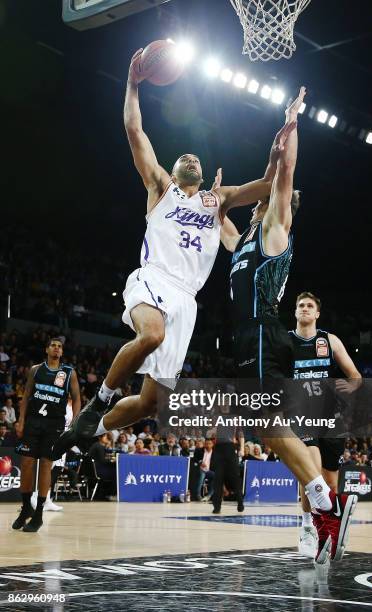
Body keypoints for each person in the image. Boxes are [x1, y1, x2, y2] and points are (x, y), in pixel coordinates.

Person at [51, 49, 296, 459]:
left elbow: (270, 184)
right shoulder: (160, 188)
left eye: (196, 157)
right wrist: (132, 84)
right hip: (154, 277)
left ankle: (88, 432)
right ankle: (99, 403)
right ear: (177, 169)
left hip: (187, 299)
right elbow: (135, 131)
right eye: (185, 156)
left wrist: (277, 149)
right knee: (152, 334)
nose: (191, 158)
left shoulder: (217, 201)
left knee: (150, 403)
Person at [219, 87, 358, 564]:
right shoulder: (241, 244)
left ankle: (323, 501)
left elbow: (284, 176)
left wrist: (290, 122)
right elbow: (219, 218)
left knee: (267, 421)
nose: (259, 203)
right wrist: (217, 197)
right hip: (244, 337)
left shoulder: (275, 230)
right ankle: (321, 502)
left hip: (263, 331)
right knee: (264, 426)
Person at [288, 291, 362, 558]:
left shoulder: (330, 341)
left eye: (310, 305)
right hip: (301, 415)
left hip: (330, 418)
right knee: (310, 468)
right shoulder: (286, 342)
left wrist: (352, 384)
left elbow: (355, 375)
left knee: (330, 483)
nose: (305, 308)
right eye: (301, 305)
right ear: (295, 312)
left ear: (317, 313)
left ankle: (328, 526)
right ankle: (306, 525)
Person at [13, 338, 80, 532]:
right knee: (25, 464)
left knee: (45, 466)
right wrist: (21, 421)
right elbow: (25, 397)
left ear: (62, 352)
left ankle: (39, 513)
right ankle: (26, 508)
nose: (57, 348)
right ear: (47, 349)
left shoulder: (69, 373)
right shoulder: (36, 370)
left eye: (59, 346)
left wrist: (75, 423)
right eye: (53, 345)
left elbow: (77, 399)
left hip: (54, 426)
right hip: (33, 422)